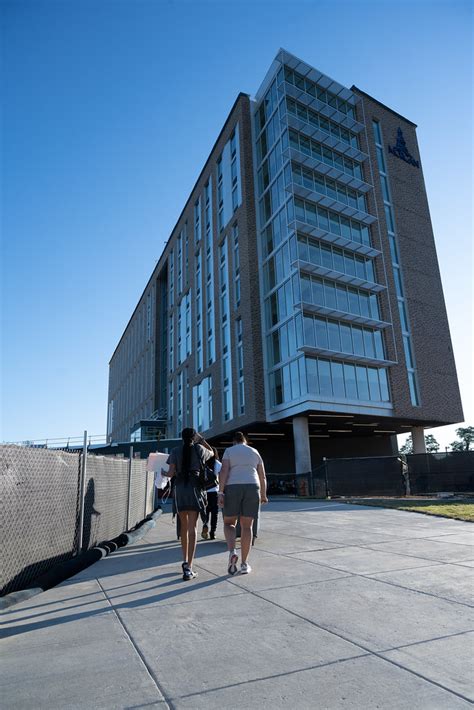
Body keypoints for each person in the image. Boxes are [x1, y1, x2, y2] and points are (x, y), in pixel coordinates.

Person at [166, 428, 214, 581]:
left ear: (181, 437)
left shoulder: (175, 451)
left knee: (184, 528)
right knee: (193, 529)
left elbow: (170, 473)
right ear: (194, 437)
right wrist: (201, 439)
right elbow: (212, 452)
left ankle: (185, 561)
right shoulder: (199, 448)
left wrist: (162, 473)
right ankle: (189, 567)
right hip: (195, 489)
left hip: (179, 490)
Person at [218, 431, 267, 575]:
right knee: (247, 526)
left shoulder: (229, 451)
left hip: (233, 487)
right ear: (245, 441)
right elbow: (262, 475)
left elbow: (224, 471)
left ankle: (232, 551)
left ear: (234, 441)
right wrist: (263, 494)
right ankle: (244, 564)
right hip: (253, 486)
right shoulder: (254, 451)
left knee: (229, 523)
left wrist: (220, 492)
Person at [201, 447, 221, 540]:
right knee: (214, 513)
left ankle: (205, 525)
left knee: (205, 512)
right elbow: (221, 478)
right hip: (215, 492)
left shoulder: (203, 463)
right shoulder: (218, 464)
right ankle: (213, 532)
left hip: (204, 492)